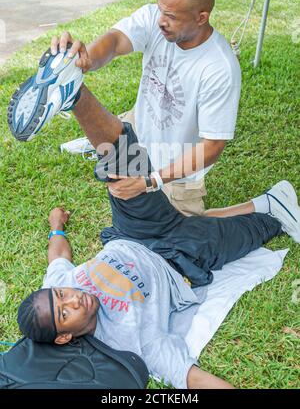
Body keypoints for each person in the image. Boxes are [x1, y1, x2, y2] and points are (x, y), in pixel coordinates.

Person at [15, 79, 300, 389]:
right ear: (64, 336)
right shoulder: (132, 342)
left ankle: (73, 92)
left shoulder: (57, 287)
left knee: (122, 159)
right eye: (65, 312)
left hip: (132, 231)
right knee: (265, 224)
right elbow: (194, 379)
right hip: (180, 255)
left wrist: (56, 225)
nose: (73, 299)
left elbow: (57, 258)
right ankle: (267, 205)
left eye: (62, 295)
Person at [48, 0, 242, 216]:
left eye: (171, 16)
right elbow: (116, 41)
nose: (161, 20)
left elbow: (213, 146)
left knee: (178, 239)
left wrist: (150, 181)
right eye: (160, 9)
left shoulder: (219, 67)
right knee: (120, 135)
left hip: (177, 171)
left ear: (201, 17)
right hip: (141, 128)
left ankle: (268, 205)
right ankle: (106, 140)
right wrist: (86, 59)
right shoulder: (155, 19)